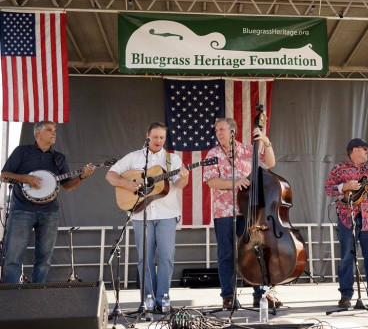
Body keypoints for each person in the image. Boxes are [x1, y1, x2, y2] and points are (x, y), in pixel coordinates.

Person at [106, 122, 188, 311]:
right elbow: (111, 175)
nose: (158, 141)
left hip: (167, 213)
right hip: (140, 214)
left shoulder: (172, 159)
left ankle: (164, 298)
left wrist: (184, 176)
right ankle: (148, 299)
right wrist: (126, 184)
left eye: (162, 137)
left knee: (167, 256)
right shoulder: (134, 157)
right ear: (147, 136)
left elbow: (180, 184)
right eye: (155, 137)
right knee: (145, 258)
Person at [202, 118, 283, 309]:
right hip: (224, 212)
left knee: (256, 251)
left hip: (250, 210)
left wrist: (265, 141)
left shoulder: (248, 150)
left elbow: (270, 163)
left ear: (232, 131)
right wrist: (235, 182)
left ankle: (260, 295)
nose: (218, 133)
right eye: (216, 130)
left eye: (221, 129)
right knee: (227, 253)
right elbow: (211, 181)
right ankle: (228, 295)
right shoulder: (212, 153)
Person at [0, 120, 95, 284]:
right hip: (22, 210)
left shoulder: (58, 158)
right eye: (50, 130)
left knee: (44, 259)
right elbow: (4, 175)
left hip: (50, 212)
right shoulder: (22, 152)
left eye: (55, 130)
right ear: (38, 133)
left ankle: (37, 298)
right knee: (13, 257)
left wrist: (82, 176)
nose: (54, 133)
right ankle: (11, 299)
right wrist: (25, 178)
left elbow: (67, 186)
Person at [324, 138, 368, 308]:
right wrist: (344, 186)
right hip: (346, 218)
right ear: (354, 150)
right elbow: (328, 189)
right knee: (346, 258)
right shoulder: (339, 168)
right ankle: (346, 295)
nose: (367, 152)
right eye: (364, 149)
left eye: (367, 149)